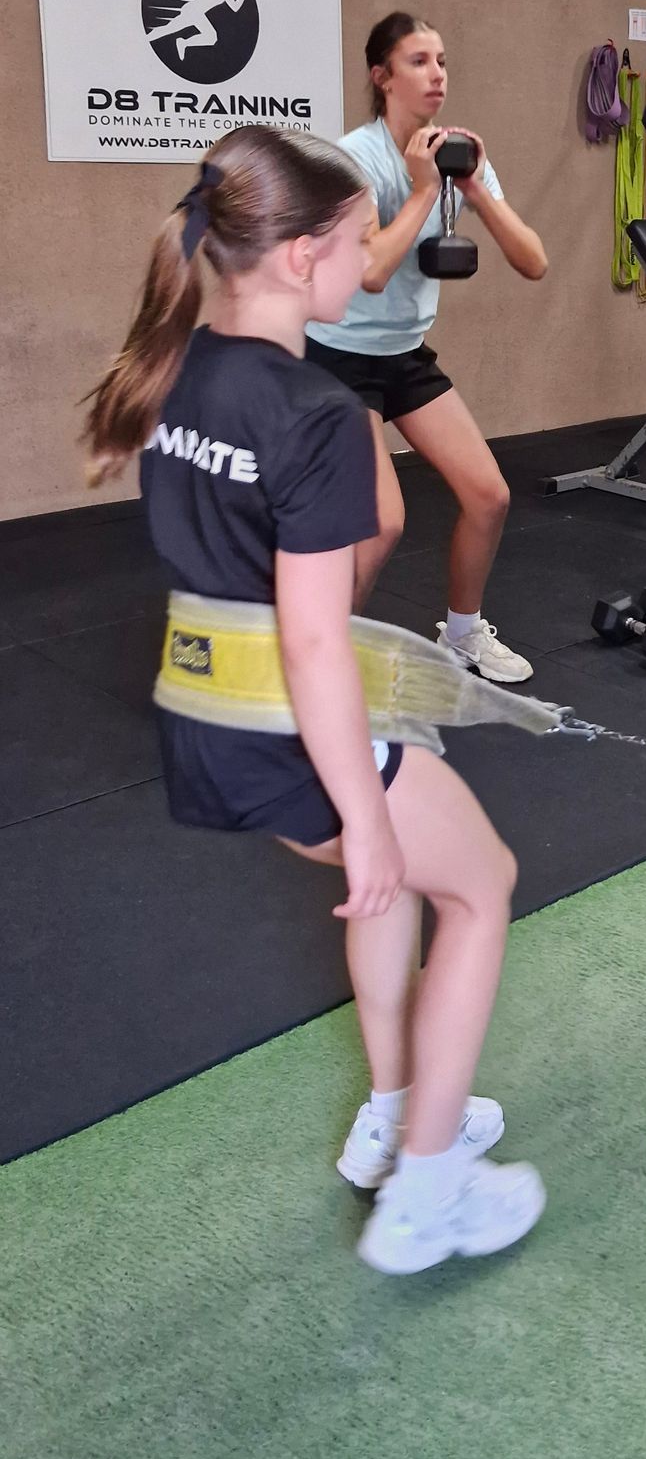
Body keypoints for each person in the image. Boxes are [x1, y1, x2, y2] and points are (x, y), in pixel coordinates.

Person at [81, 126, 545, 1277]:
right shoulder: (318, 412)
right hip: (288, 730)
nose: (365, 260)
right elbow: (306, 637)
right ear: (298, 259)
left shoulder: (173, 368)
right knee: (481, 887)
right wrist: (368, 808)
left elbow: (297, 591)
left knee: (385, 893)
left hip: (208, 727)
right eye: (349, 241)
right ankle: (427, 1190)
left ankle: (395, 1110)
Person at [307, 12, 547, 682]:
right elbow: (371, 270)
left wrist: (473, 188)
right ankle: (322, 663)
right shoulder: (353, 157)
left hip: (403, 354)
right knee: (380, 525)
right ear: (381, 76)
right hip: (332, 359)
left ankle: (463, 636)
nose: (437, 73)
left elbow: (533, 261)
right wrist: (421, 191)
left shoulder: (457, 153)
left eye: (441, 59)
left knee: (489, 496)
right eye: (418, 60)